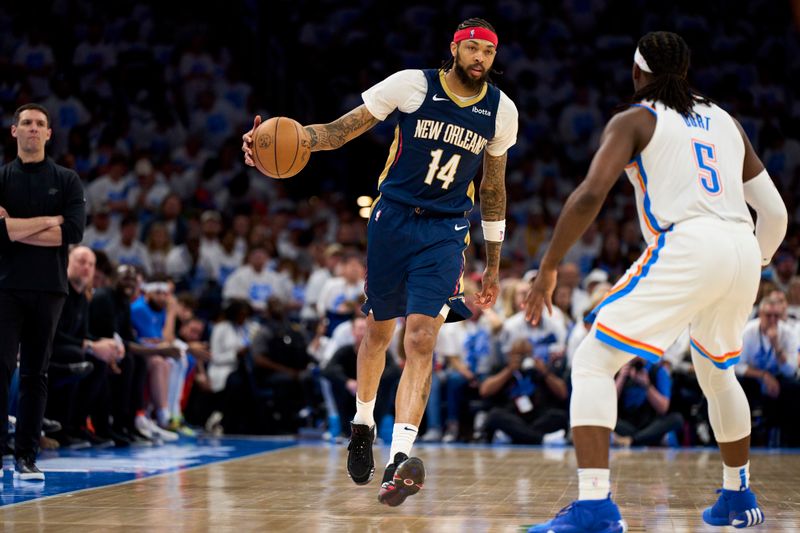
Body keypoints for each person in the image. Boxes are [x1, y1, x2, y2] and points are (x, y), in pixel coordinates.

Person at [242, 17, 518, 505]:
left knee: (422, 335)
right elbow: (339, 131)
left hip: (446, 230)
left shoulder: (502, 111)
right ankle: (363, 422)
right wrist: (287, 142)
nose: (480, 59)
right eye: (472, 49)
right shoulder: (412, 85)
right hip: (392, 220)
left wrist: (493, 262)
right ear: (454, 49)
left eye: (488, 53)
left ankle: (399, 458)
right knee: (378, 333)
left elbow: (493, 189)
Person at [524, 32, 787, 531]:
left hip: (690, 241)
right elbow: (774, 212)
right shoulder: (727, 122)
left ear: (636, 72)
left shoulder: (635, 119)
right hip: (741, 245)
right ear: (684, 72)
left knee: (593, 359)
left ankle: (596, 508)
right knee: (716, 372)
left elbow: (587, 197)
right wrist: (757, 259)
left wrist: (550, 265)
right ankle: (737, 495)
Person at [0, 103, 86, 480]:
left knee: (36, 374)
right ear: (14, 131)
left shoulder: (67, 180)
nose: (33, 129)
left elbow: (72, 233)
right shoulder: (1, 178)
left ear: (49, 134)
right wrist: (48, 222)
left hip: (50, 288)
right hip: (5, 287)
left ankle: (26, 456)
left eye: (40, 124)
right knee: (0, 369)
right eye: (26, 123)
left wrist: (15, 228)